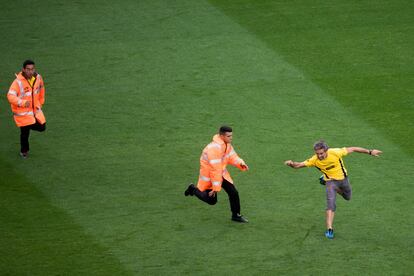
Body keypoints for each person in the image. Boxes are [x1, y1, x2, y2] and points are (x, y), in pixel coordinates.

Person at [284, 141, 382, 239]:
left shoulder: (335, 152)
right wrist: (291, 163)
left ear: (326, 150)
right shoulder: (314, 160)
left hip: (343, 179)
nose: (319, 156)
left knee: (347, 197)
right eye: (317, 153)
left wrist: (370, 152)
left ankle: (325, 182)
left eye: (321, 153)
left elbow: (353, 149)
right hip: (331, 181)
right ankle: (329, 229)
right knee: (330, 204)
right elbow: (298, 165)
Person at [184, 126, 249, 223]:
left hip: (220, 173)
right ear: (222, 136)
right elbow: (215, 170)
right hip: (210, 176)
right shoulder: (214, 149)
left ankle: (236, 215)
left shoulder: (226, 144)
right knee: (211, 201)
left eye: (231, 135)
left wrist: (240, 163)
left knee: (233, 192)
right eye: (229, 136)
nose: (231, 138)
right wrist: (215, 188)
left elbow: (232, 156)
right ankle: (193, 189)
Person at [7, 60, 46, 158]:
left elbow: (41, 89)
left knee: (42, 127)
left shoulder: (38, 78)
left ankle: (28, 126)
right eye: (28, 69)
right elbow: (10, 96)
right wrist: (22, 103)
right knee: (24, 134)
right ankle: (24, 152)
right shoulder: (17, 82)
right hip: (22, 114)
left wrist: (41, 102)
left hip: (34, 111)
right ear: (23, 70)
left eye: (32, 69)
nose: (30, 71)